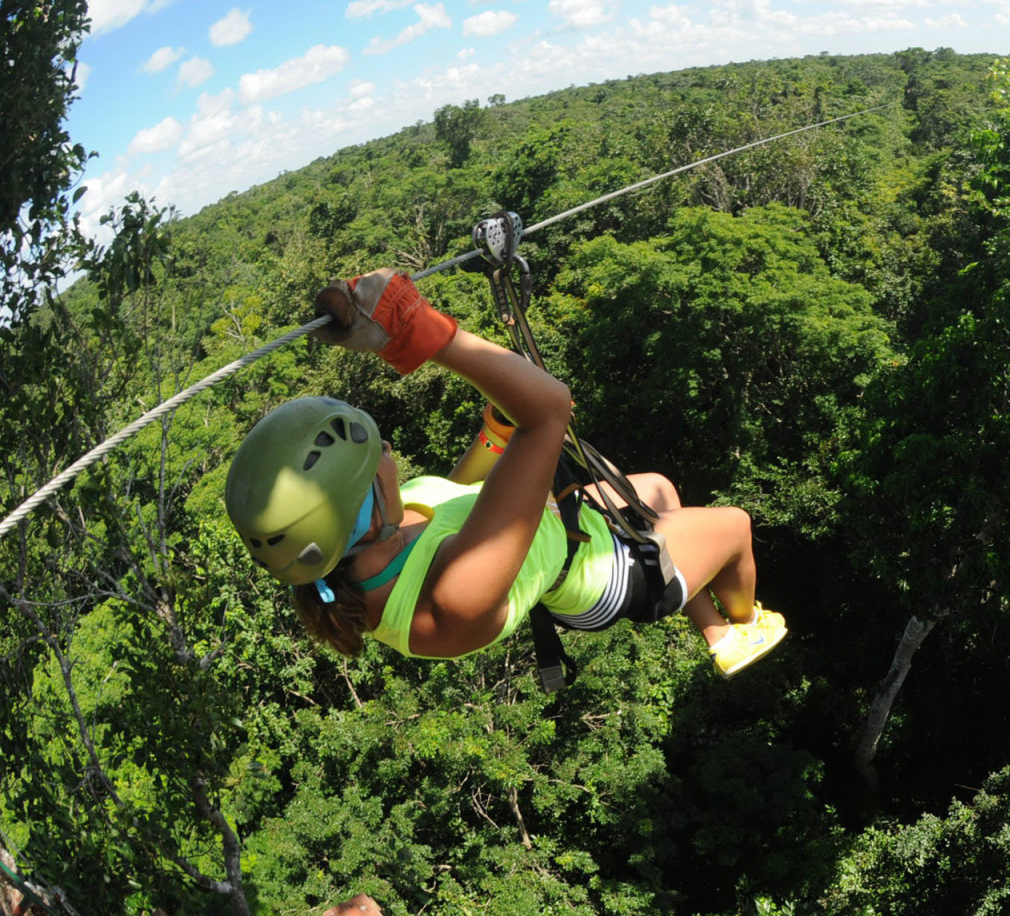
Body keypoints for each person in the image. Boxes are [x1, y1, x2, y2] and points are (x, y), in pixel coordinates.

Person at [223, 268, 785, 676]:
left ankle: (708, 626)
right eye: (378, 458)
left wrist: (494, 436)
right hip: (607, 577)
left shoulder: (382, 535)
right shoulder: (448, 608)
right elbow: (549, 410)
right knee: (734, 527)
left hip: (564, 527)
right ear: (359, 511)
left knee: (660, 489)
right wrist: (416, 332)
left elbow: (459, 493)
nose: (390, 449)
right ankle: (740, 625)